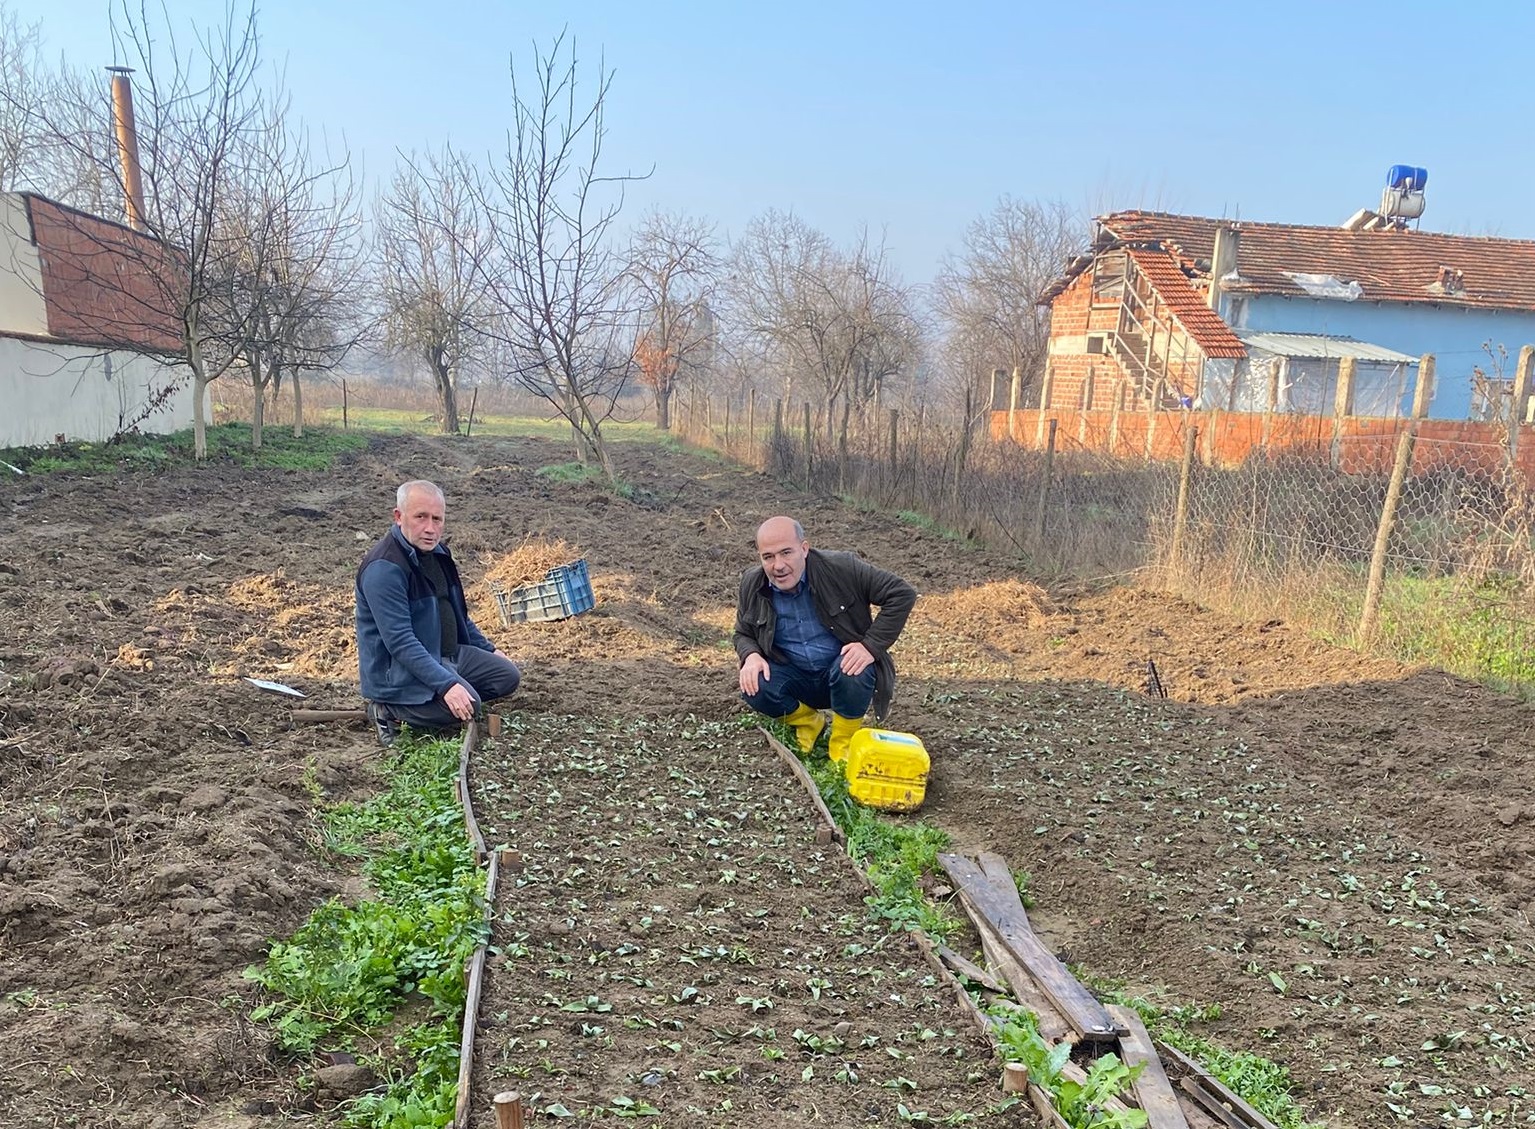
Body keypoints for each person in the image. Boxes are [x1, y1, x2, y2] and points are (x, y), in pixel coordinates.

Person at [734, 515, 916, 764]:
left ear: (804, 549)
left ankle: (842, 744)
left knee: (855, 667)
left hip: (840, 676)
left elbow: (901, 594)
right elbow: (743, 632)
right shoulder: (752, 584)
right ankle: (809, 722)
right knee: (754, 683)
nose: (778, 565)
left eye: (786, 553)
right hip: (795, 677)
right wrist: (751, 655)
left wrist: (870, 646)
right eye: (769, 557)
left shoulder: (842, 568)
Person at [355, 480, 521, 745]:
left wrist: (488, 649)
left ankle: (445, 691)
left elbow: (456, 613)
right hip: (397, 670)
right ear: (399, 517)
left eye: (437, 519)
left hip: (445, 653)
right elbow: (400, 642)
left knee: (507, 675)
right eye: (420, 517)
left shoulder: (439, 553)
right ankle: (387, 709)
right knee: (470, 706)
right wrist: (446, 685)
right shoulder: (384, 568)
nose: (430, 528)